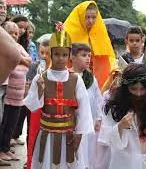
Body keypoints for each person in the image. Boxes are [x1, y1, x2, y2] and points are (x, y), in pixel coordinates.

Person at [24, 23, 94, 168]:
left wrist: (79, 134)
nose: (60, 58)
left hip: (68, 135)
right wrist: (40, 91)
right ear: (50, 53)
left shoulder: (76, 79)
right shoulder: (40, 78)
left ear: (69, 56)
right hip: (46, 134)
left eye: (64, 55)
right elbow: (32, 106)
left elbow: (84, 110)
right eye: (56, 54)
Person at [98, 63, 146, 169]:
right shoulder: (114, 107)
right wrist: (120, 127)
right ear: (125, 89)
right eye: (133, 89)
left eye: (142, 89)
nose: (138, 93)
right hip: (125, 163)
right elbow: (106, 138)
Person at [64, 1, 116, 89]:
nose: (91, 21)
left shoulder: (100, 32)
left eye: (94, 17)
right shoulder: (67, 31)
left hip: (94, 79)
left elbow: (106, 58)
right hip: (72, 77)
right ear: (80, 17)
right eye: (87, 17)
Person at [0, 22, 31, 163]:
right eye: (10, 32)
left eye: (16, 33)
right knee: (3, 122)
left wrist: (20, 59)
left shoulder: (19, 48)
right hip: (7, 92)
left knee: (12, 123)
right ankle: (1, 150)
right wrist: (20, 59)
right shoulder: (4, 48)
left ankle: (6, 149)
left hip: (19, 95)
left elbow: (29, 61)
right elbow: (14, 60)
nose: (13, 35)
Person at [70, 42, 104, 168]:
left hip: (90, 123)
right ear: (72, 57)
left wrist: (99, 118)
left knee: (88, 155)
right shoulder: (69, 77)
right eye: (84, 55)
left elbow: (98, 99)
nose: (88, 58)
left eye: (89, 55)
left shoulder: (91, 78)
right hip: (74, 123)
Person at [26, 38, 51, 169]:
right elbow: (27, 87)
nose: (44, 56)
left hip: (50, 110)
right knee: (32, 136)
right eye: (42, 52)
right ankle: (30, 160)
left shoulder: (55, 71)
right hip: (36, 109)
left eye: (47, 54)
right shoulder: (35, 67)